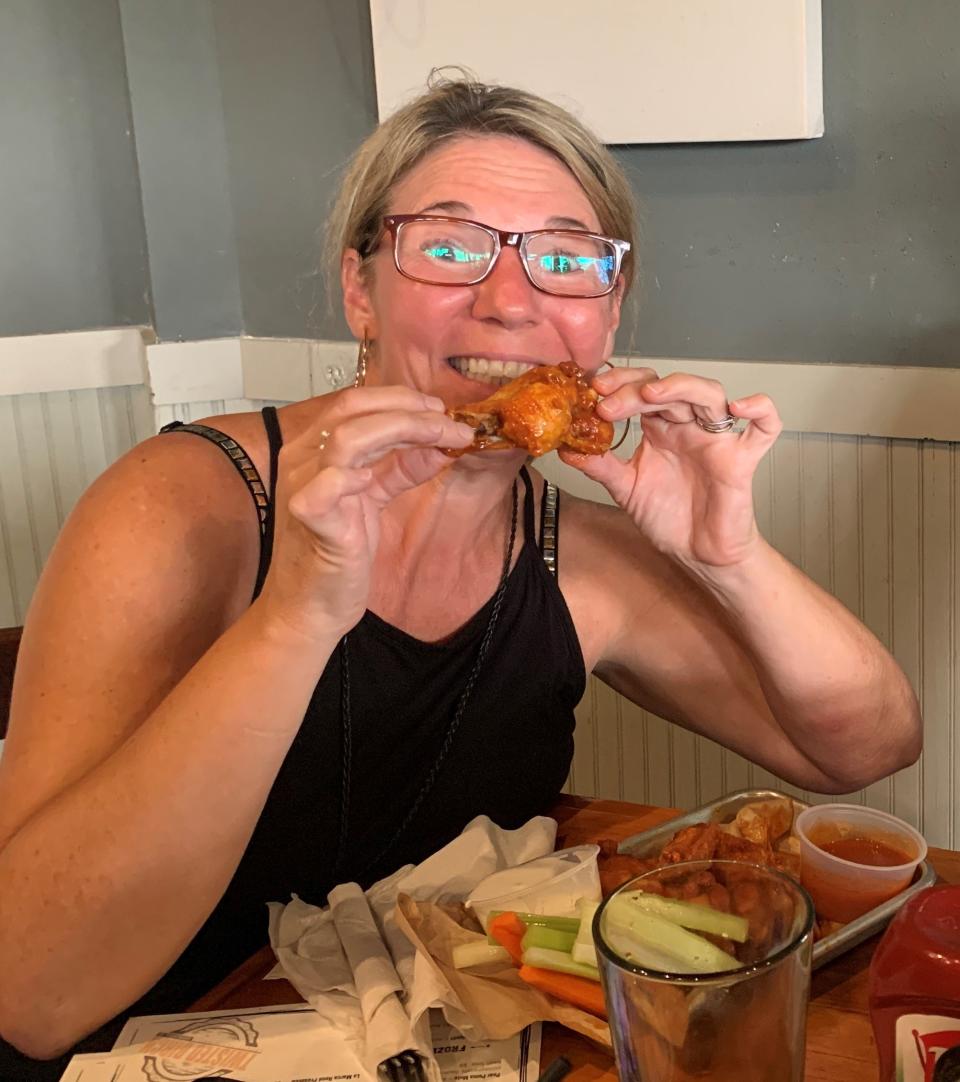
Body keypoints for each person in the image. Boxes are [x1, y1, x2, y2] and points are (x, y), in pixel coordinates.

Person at [0, 76, 920, 1074]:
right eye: (448, 246)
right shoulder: (179, 507)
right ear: (362, 288)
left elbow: (865, 745)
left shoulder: (579, 554)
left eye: (567, 260)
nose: (510, 300)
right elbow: (31, 994)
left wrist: (726, 555)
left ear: (606, 315)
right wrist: (300, 613)